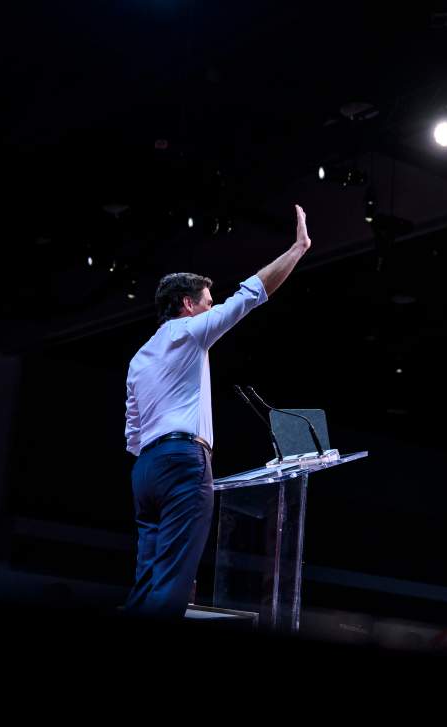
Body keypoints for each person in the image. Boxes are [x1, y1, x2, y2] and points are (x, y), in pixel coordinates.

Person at [122, 205, 312, 617]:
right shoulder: (190, 332)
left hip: (146, 471)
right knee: (174, 579)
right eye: (208, 303)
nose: (212, 309)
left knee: (148, 577)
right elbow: (249, 297)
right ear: (188, 305)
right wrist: (297, 249)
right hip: (182, 463)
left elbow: (133, 435)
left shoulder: (139, 357)